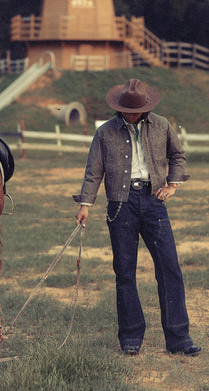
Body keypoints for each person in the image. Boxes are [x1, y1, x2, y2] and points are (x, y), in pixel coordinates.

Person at [74, 79, 201, 356]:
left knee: (169, 267)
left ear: (145, 108)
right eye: (124, 111)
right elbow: (93, 170)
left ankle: (179, 338)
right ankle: (131, 337)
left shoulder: (162, 126)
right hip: (121, 205)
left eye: (134, 111)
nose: (128, 115)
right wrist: (85, 204)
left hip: (154, 201)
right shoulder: (105, 132)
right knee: (125, 271)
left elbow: (178, 156)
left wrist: (173, 185)